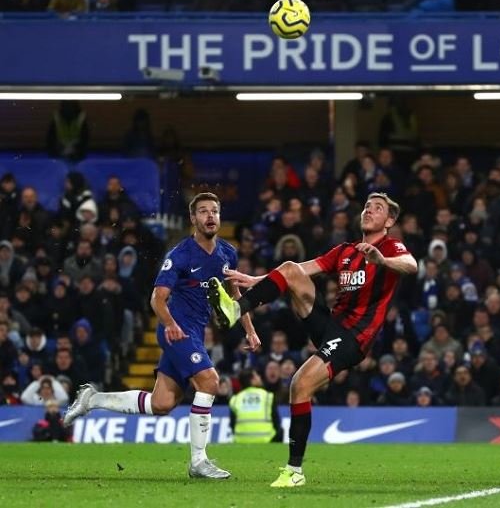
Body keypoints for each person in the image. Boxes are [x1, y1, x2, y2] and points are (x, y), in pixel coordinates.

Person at [207, 192, 417, 487]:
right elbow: (299, 271)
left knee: (299, 384)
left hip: (354, 337)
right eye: (367, 206)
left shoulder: (391, 246)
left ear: (390, 220)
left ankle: (294, 471)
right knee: (291, 267)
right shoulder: (346, 250)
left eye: (378, 208)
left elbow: (411, 265)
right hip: (331, 324)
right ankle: (235, 311)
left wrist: (382, 260)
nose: (369, 210)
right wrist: (258, 281)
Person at [64, 192, 259, 479]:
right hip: (176, 331)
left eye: (214, 211)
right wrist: (169, 324)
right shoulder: (180, 255)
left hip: (193, 333)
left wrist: (251, 331)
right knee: (210, 381)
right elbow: (157, 299)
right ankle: (198, 461)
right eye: (203, 211)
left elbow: (236, 297)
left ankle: (91, 399)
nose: (209, 216)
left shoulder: (227, 253)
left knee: (162, 404)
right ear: (193, 219)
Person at [229, 369, 283, 443]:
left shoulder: (235, 399)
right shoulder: (267, 396)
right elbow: (276, 422)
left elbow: (232, 424)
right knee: (281, 431)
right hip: (266, 440)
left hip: (241, 440)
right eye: (257, 375)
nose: (259, 377)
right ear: (252, 380)